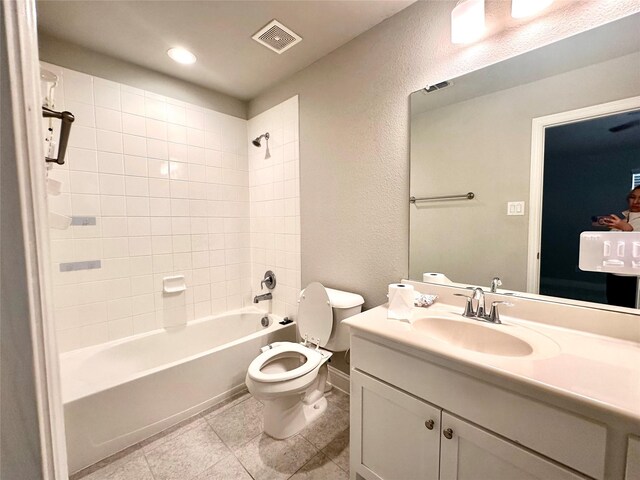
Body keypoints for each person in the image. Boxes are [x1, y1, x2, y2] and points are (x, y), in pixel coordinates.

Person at [602, 186, 640, 308]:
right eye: (633, 197)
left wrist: (626, 229)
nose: (636, 202)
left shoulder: (622, 223)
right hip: (614, 273)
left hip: (634, 277)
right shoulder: (620, 221)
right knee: (614, 308)